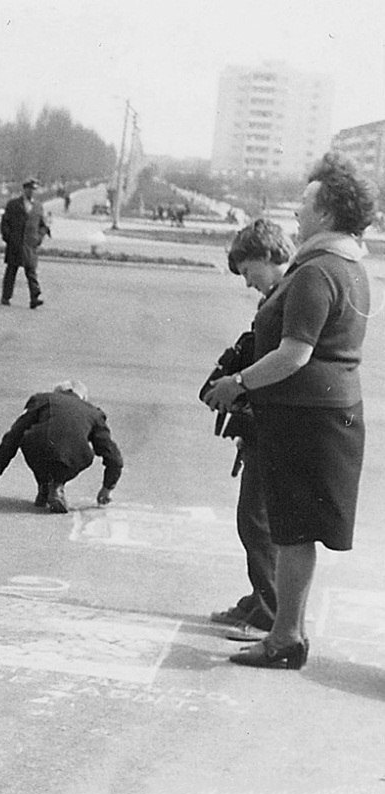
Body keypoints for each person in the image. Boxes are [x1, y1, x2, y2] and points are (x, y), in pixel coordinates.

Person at [203, 152, 377, 670]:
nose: (297, 215)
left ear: (326, 212)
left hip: (308, 418)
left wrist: (237, 383)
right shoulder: (348, 265)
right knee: (295, 532)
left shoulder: (316, 272)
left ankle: (285, 639)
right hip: (329, 414)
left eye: (304, 205)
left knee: (295, 534)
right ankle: (286, 632)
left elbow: (294, 354)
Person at [202, 220, 295, 644]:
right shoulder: (280, 295)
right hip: (267, 424)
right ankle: (264, 598)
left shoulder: (287, 295)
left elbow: (281, 363)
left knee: (257, 521)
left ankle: (270, 610)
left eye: (248, 272)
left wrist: (239, 389)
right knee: (255, 519)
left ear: (267, 256)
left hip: (279, 425)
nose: (247, 283)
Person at [0, 380, 122, 513]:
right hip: (72, 459)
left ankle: (44, 486)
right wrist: (106, 489)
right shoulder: (94, 413)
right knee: (82, 452)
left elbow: (13, 436)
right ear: (82, 398)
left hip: (39, 450)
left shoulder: (43, 400)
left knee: (31, 438)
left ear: (57, 392)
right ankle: (57, 485)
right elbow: (113, 456)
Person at [0, 177, 51, 309]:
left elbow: (43, 226)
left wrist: (38, 238)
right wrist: (8, 237)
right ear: (24, 189)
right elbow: (5, 222)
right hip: (15, 244)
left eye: (34, 190)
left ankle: (35, 298)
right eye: (29, 189)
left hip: (30, 245)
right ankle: (6, 297)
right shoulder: (13, 204)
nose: (32, 192)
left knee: (31, 272)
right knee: (11, 271)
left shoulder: (38, 207)